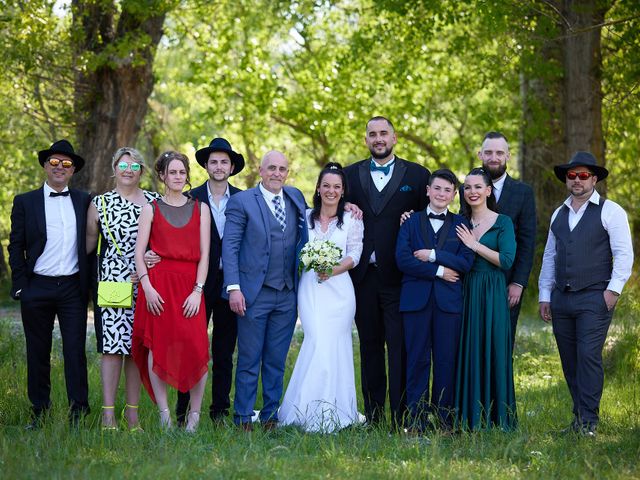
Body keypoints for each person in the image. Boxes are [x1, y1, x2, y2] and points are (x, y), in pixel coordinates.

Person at [147, 138, 244, 426]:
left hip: (230, 283)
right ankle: (182, 411)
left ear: (231, 167)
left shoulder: (243, 199)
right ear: (205, 165)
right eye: (213, 161)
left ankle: (218, 413)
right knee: (187, 346)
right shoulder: (192, 199)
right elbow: (169, 231)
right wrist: (156, 256)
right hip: (194, 284)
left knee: (224, 350)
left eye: (224, 162)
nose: (218, 166)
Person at [343, 116, 430, 429]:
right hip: (362, 275)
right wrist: (344, 208)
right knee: (369, 347)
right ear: (365, 139)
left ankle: (402, 417)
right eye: (372, 134)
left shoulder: (419, 175)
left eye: (383, 134)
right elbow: (328, 206)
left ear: (394, 138)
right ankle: (375, 416)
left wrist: (416, 216)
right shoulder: (349, 175)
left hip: (401, 276)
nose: (378, 139)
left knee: (400, 347)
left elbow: (431, 217)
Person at [539, 152, 633, 437]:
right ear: (567, 179)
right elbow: (549, 256)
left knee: (588, 356)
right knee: (569, 359)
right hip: (562, 298)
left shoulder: (610, 211)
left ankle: (589, 423)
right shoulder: (559, 213)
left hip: (595, 297)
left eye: (583, 176)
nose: (577, 180)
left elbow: (624, 254)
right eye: (572, 175)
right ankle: (578, 418)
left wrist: (612, 292)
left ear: (593, 179)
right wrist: (545, 294)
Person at [222, 150, 309, 431]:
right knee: (249, 358)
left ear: (287, 172)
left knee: (276, 359)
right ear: (260, 170)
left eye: (282, 169)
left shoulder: (295, 197)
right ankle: (243, 418)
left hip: (286, 294)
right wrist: (234, 288)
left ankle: (271, 417)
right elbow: (231, 246)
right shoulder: (242, 201)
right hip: (252, 294)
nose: (277, 174)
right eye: (271, 168)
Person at [8, 139, 91, 429]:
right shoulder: (25, 201)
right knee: (38, 352)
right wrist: (21, 286)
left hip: (72, 288)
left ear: (73, 171)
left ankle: (78, 413)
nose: (59, 167)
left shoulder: (85, 200)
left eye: (66, 164)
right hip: (37, 287)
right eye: (54, 162)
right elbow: (15, 246)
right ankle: (39, 412)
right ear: (45, 166)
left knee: (74, 352)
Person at [279, 163, 364, 433]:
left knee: (335, 345)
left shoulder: (352, 219)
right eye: (326, 185)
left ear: (343, 191)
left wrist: (333, 269)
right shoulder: (305, 216)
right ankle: (303, 408)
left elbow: (355, 254)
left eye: (336, 187)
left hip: (340, 291)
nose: (331, 190)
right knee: (316, 340)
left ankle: (334, 410)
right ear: (318, 188)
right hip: (311, 289)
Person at [132, 151, 211, 432]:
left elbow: (205, 255)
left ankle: (194, 416)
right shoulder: (150, 209)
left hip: (190, 286)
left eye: (182, 172)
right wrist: (147, 287)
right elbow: (139, 254)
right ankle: (165, 415)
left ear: (187, 176)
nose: (177, 177)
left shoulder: (201, 209)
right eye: (172, 172)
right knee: (158, 345)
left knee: (197, 346)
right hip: (158, 287)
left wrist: (198, 291)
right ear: (162, 176)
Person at [395, 169, 474, 434]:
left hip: (448, 305)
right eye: (437, 189)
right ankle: (415, 421)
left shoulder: (462, 225)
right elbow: (402, 259)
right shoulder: (410, 222)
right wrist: (439, 270)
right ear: (428, 190)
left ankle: (445, 421)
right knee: (416, 359)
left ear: (454, 195)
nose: (441, 194)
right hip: (415, 302)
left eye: (447, 190)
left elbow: (466, 262)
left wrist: (431, 255)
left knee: (445, 361)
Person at [86, 147, 158, 431]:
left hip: (147, 283)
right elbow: (88, 247)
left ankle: (133, 416)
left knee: (136, 348)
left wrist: (156, 255)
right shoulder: (99, 203)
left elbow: (165, 242)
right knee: (112, 349)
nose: (129, 170)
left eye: (135, 166)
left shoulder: (154, 201)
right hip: (113, 281)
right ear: (114, 168)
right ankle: (107, 416)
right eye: (123, 165)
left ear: (142, 171)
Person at [455, 167, 517, 431]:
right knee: (468, 348)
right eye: (467, 187)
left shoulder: (503, 222)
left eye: (478, 187)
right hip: (466, 288)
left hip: (492, 289)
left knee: (494, 347)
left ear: (488, 191)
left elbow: (506, 260)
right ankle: (468, 417)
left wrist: (475, 245)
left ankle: (498, 418)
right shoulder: (458, 221)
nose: (472, 192)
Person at [477, 132, 536, 348]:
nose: (494, 157)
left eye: (499, 153)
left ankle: (501, 383)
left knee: (502, 343)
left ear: (508, 156)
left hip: (507, 281)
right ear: (480, 155)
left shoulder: (523, 193)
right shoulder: (468, 188)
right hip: (473, 280)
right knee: (474, 342)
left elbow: (528, 242)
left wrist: (518, 283)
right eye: (489, 152)